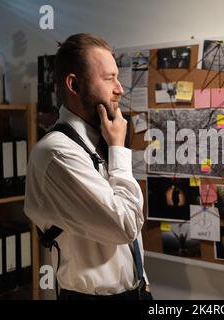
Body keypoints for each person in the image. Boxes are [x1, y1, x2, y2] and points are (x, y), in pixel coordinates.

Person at [24, 33, 152, 300]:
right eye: (109, 79)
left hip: (136, 291)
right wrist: (119, 149)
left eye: (117, 77)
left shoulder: (99, 140)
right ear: (75, 85)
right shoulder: (57, 153)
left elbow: (132, 235)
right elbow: (125, 225)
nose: (120, 89)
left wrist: (143, 282)